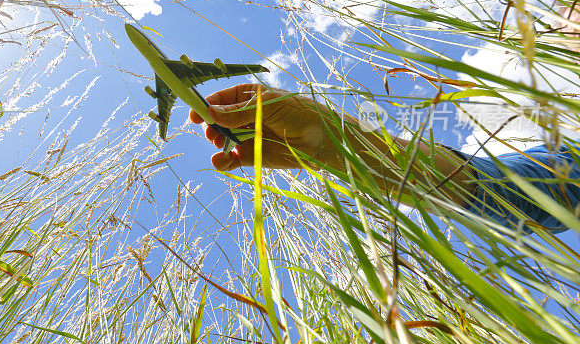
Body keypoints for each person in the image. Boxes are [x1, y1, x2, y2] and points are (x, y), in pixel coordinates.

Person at [189, 82, 580, 233]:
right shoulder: (559, 150)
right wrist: (330, 145)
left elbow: (511, 192)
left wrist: (334, 142)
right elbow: (507, 191)